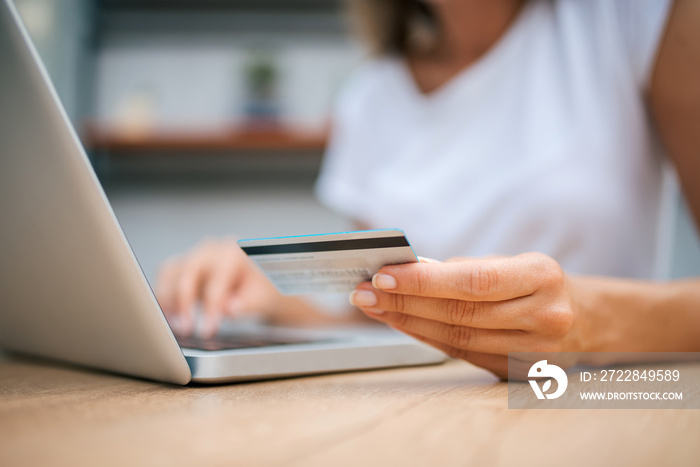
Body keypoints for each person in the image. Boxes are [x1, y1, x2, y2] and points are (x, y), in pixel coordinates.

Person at [156, 0, 700, 378]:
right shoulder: (370, 98)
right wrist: (271, 301)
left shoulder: (632, 20)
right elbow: (376, 310)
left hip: (592, 404)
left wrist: (596, 325)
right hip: (417, 419)